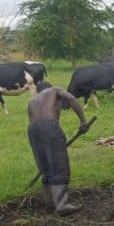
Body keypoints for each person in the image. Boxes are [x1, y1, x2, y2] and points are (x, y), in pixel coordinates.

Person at [28, 81, 90, 215]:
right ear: (49, 87)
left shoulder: (32, 100)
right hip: (50, 126)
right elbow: (72, 98)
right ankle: (62, 205)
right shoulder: (55, 90)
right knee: (58, 164)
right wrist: (83, 121)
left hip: (32, 129)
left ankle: (50, 203)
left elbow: (34, 122)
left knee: (45, 166)